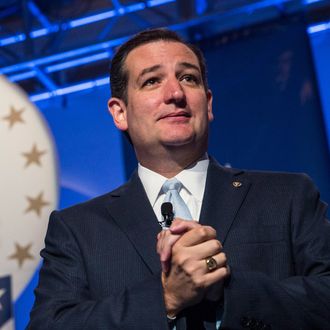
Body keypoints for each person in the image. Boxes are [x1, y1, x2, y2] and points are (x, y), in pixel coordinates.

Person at [28, 28, 330, 329]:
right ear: (120, 112)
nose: (175, 94)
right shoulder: (78, 230)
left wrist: (227, 291)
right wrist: (166, 297)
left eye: (189, 78)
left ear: (208, 103)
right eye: (151, 81)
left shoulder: (287, 195)